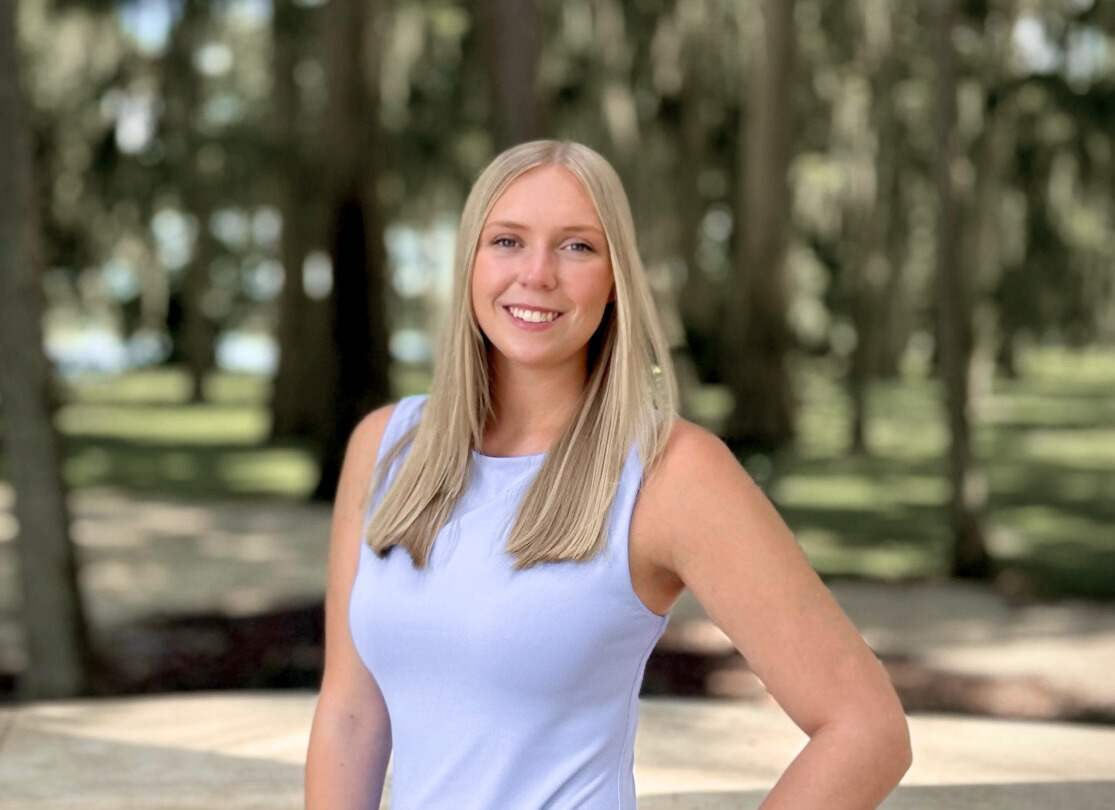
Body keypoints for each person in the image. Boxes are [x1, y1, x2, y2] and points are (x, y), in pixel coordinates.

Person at [305, 140, 911, 809]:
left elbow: (866, 728)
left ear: (616, 277)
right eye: (507, 241)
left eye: (576, 247)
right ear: (469, 262)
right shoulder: (386, 447)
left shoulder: (670, 472)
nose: (536, 274)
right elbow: (351, 717)